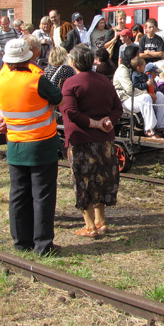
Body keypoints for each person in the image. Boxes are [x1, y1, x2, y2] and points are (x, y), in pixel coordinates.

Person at [0, 39, 63, 256]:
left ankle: (21, 242)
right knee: (42, 195)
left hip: (15, 145)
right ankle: (43, 246)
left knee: (18, 195)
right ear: (28, 58)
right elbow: (57, 96)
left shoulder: (1, 81)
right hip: (41, 145)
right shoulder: (35, 79)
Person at [61, 45, 123, 238]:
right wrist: (107, 122)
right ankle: (101, 220)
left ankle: (89, 226)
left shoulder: (70, 83)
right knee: (102, 178)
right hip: (105, 140)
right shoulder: (104, 80)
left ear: (72, 62)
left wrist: (95, 123)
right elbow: (117, 107)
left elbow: (70, 112)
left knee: (83, 180)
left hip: (81, 140)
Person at [113, 46, 164, 138]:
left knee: (160, 95)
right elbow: (129, 89)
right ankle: (150, 129)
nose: (139, 56)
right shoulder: (122, 69)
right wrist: (147, 94)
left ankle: (161, 126)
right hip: (124, 99)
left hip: (137, 96)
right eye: (137, 54)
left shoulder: (136, 68)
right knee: (146, 98)